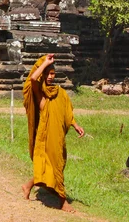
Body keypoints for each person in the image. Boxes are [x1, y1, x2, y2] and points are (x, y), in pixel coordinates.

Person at [22, 53, 84, 212]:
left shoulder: (60, 93)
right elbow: (33, 80)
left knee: (56, 165)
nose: (50, 77)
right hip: (45, 136)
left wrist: (76, 125)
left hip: (57, 137)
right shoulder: (41, 94)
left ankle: (27, 185)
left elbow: (66, 112)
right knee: (53, 166)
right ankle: (63, 202)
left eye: (52, 74)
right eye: (48, 74)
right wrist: (44, 63)